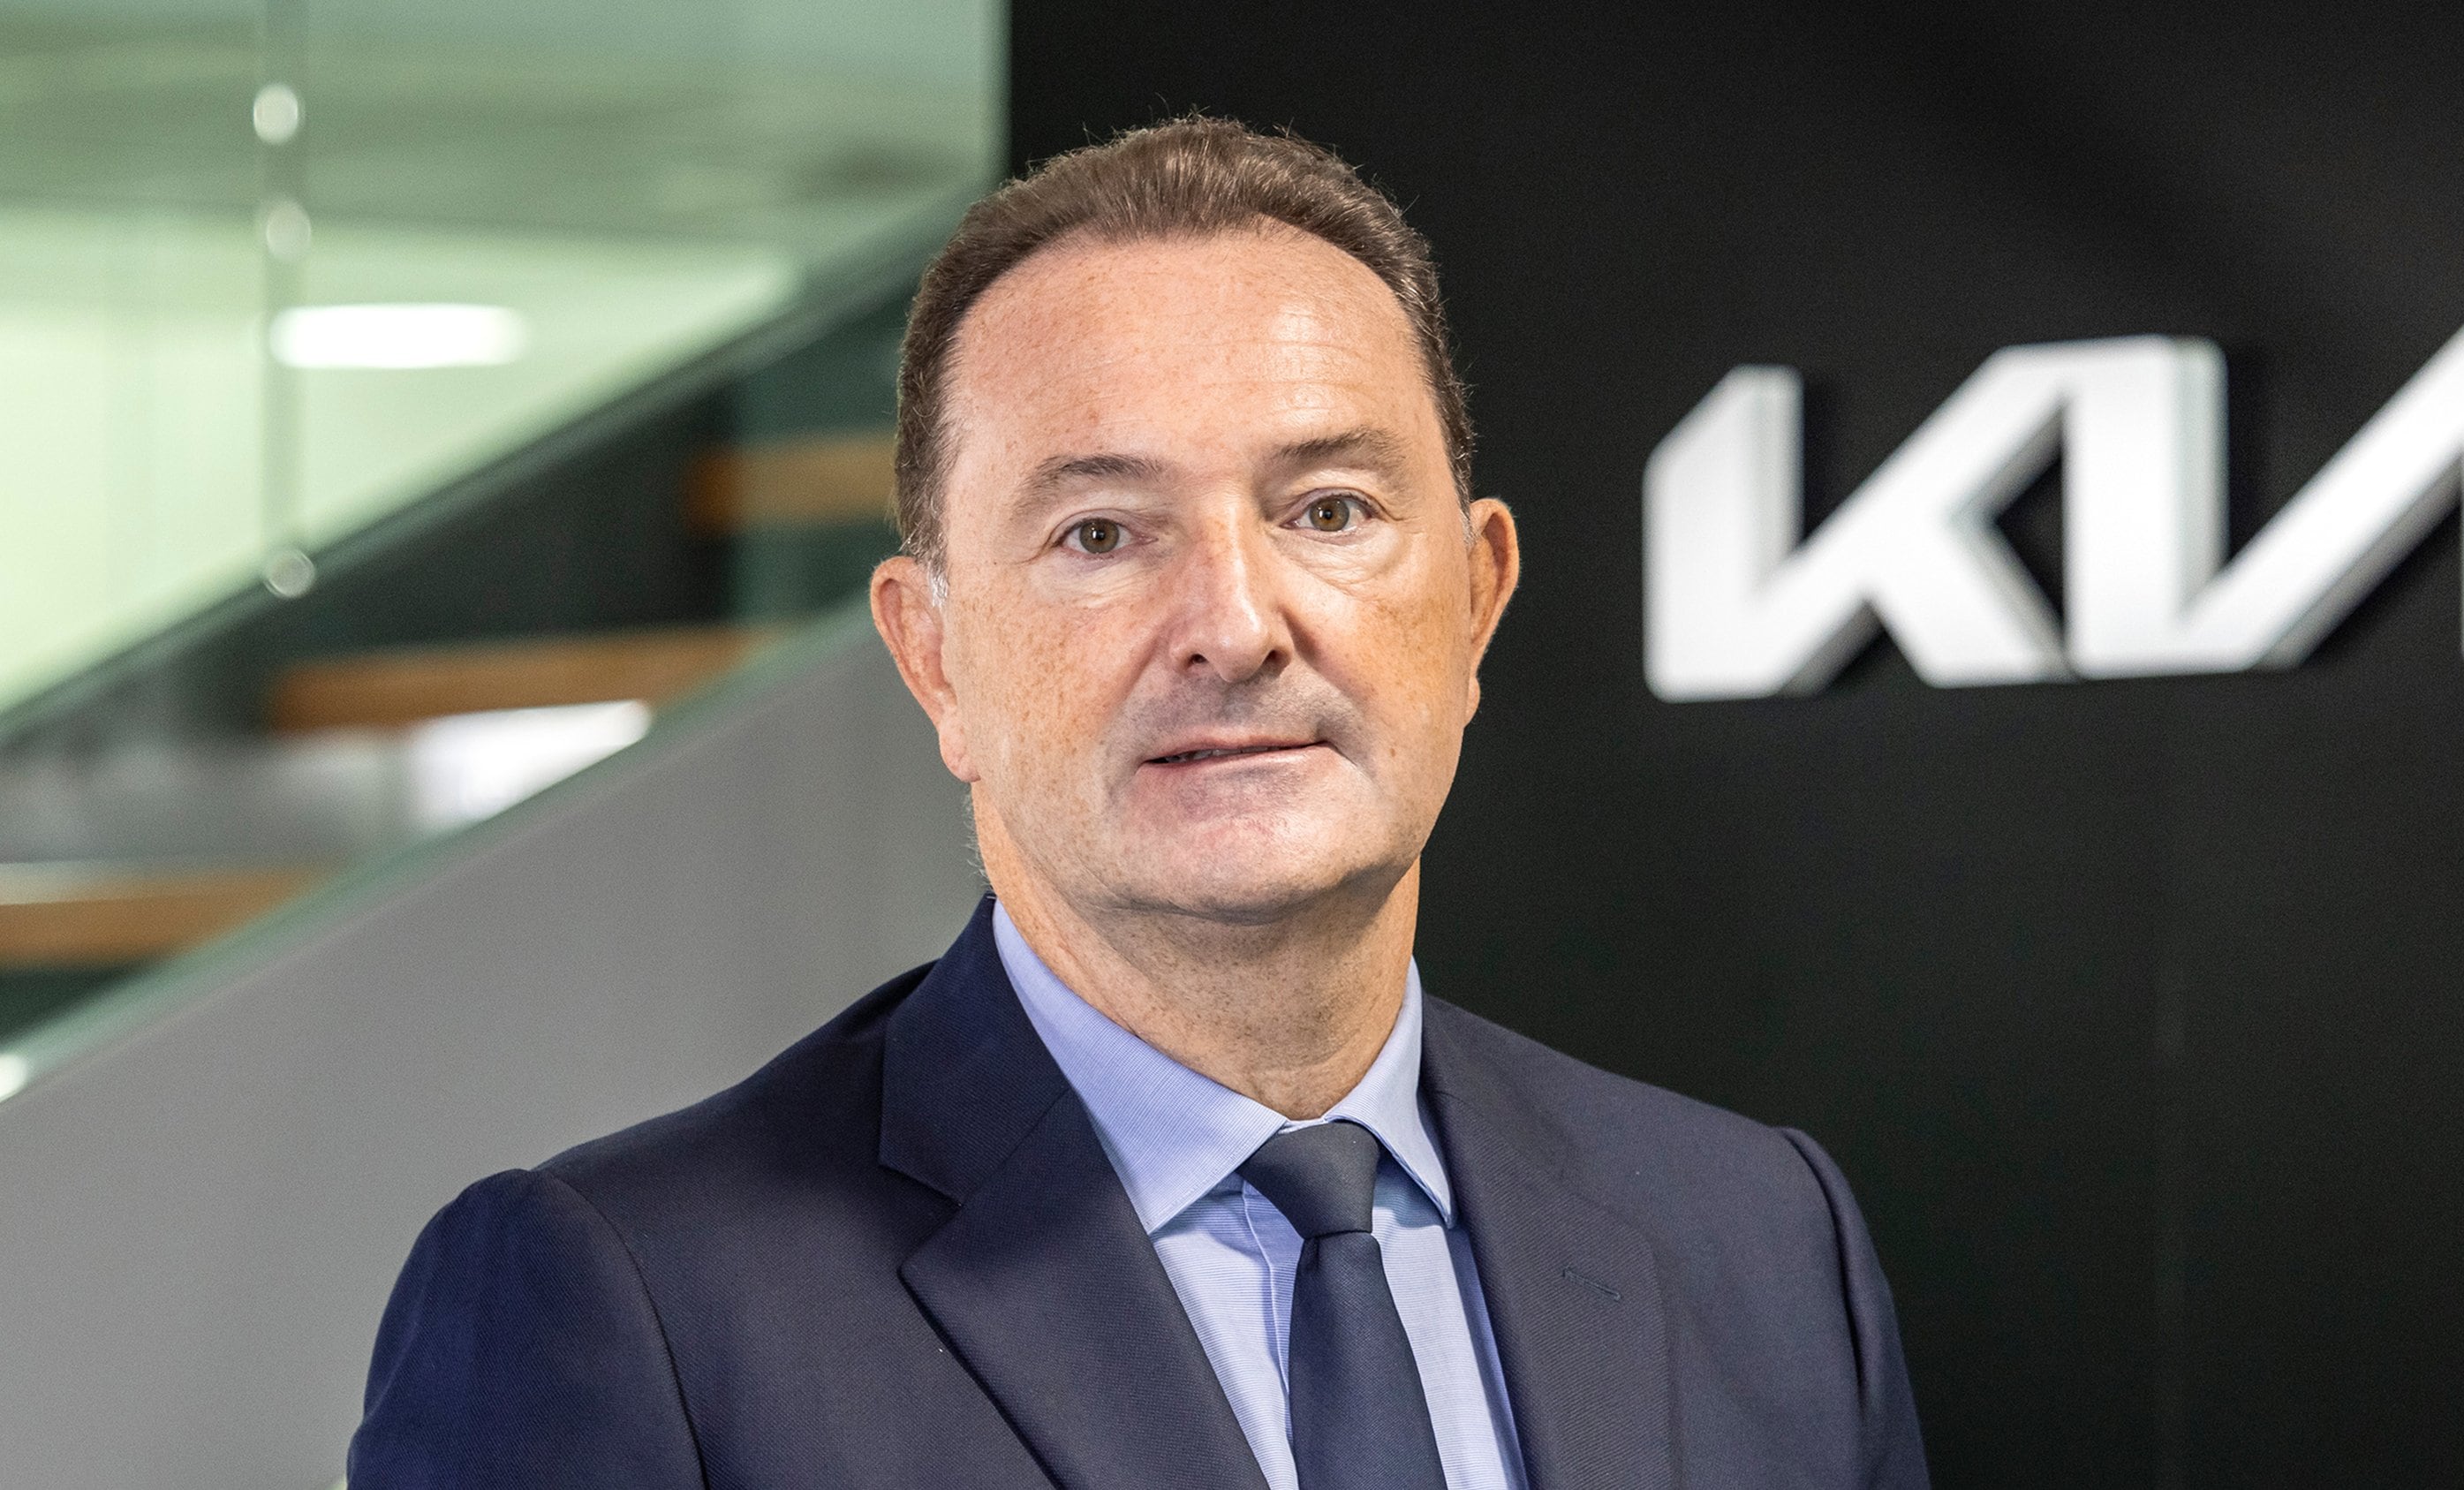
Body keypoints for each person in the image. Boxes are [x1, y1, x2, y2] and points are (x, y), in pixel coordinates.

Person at [348, 117, 1928, 1490]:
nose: (1235, 626)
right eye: (1102, 534)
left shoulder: (1758, 1240)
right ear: (933, 656)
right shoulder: (628, 1305)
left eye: (1330, 510)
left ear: (1476, 603)